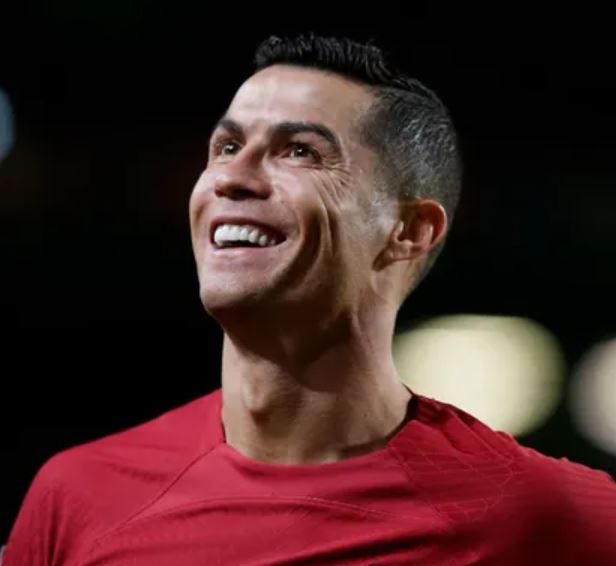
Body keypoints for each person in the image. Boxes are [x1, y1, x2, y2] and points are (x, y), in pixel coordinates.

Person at [4, 34, 616, 565]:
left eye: (300, 151)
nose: (231, 177)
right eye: (226, 147)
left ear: (409, 231)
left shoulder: (545, 515)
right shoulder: (78, 496)